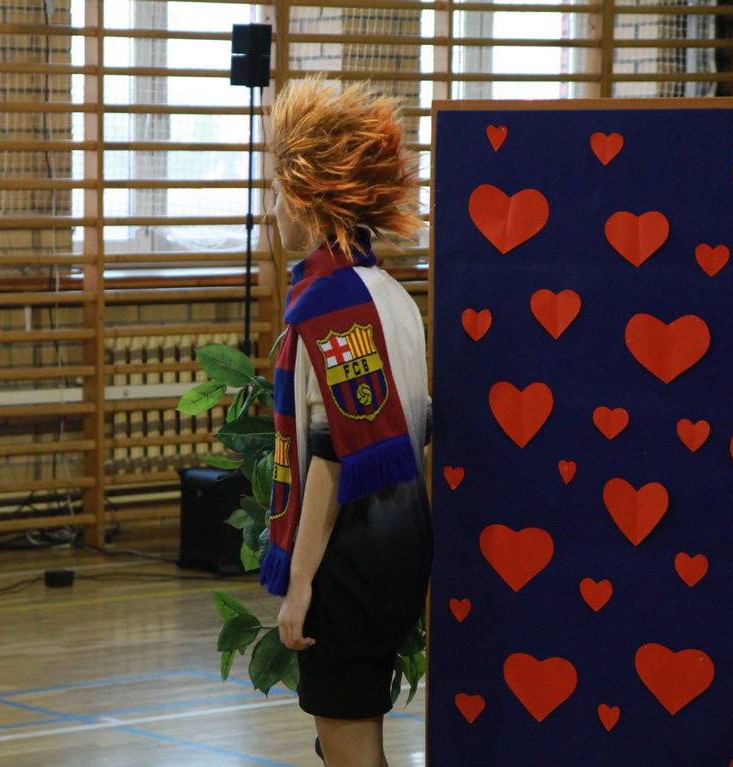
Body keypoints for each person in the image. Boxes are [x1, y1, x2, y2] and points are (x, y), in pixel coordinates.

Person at [262, 79, 433, 767]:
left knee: (350, 753)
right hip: (402, 547)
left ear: (308, 201)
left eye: (277, 191)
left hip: (350, 556)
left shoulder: (329, 305)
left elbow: (335, 456)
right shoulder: (394, 295)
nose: (271, 209)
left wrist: (301, 583)